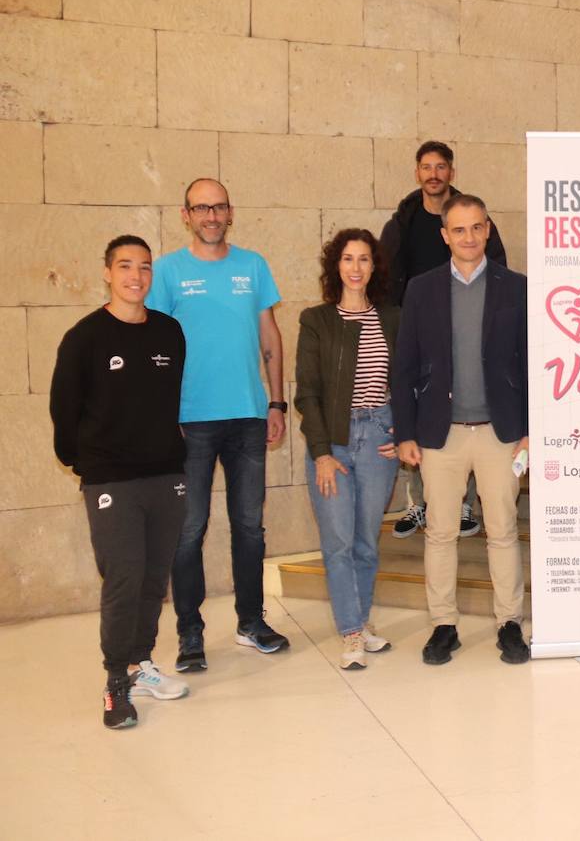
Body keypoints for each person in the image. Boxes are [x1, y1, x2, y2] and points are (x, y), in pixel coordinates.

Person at [147, 178, 290, 672]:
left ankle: (251, 622)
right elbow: (154, 352)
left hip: (249, 417)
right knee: (189, 530)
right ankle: (190, 635)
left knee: (249, 525)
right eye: (201, 207)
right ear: (185, 215)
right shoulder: (166, 272)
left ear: (231, 212)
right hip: (190, 424)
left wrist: (277, 403)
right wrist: (165, 416)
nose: (211, 215)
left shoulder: (252, 266)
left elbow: (269, 335)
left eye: (219, 206)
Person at [51, 235, 192, 728]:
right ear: (107, 273)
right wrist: (87, 464)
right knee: (124, 578)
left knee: (154, 579)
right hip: (111, 479)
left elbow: (169, 401)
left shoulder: (170, 332)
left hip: (166, 475)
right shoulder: (85, 337)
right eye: (125, 266)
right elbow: (63, 412)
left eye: (145, 267)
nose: (136, 276)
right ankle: (116, 682)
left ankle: (140, 664)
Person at [392, 193, 531, 665]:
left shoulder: (516, 288)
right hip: (441, 433)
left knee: (503, 531)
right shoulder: (421, 289)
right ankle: (443, 625)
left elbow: (531, 364)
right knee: (440, 533)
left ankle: (510, 624)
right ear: (444, 235)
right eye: (458, 229)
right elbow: (405, 365)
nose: (468, 237)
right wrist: (406, 432)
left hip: (501, 433)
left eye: (476, 227)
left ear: (488, 229)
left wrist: (531, 430)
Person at [380, 141, 506, 540]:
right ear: (417, 173)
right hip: (421, 333)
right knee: (426, 419)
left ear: (451, 172)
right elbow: (386, 279)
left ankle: (464, 504)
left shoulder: (474, 216)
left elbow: (498, 269)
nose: (433, 174)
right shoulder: (402, 222)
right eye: (425, 167)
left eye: (441, 167)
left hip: (472, 329)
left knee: (471, 413)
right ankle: (422, 504)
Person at [295, 229, 401, 670]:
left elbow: (412, 379)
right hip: (334, 441)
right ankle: (352, 631)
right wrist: (321, 451)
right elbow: (308, 392)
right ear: (335, 266)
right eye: (347, 259)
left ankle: (360, 618)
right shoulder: (316, 320)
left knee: (366, 542)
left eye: (364, 259)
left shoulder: (393, 317)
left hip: (379, 437)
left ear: (374, 267)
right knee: (338, 541)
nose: (355, 267)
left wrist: (405, 430)